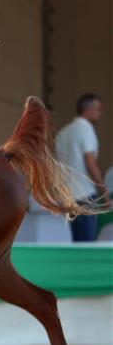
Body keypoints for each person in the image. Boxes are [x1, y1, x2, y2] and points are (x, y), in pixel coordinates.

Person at [55, 93, 108, 242]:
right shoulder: (85, 129)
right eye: (98, 109)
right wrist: (103, 192)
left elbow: (58, 166)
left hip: (68, 198)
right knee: (87, 245)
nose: (100, 113)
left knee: (76, 243)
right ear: (88, 110)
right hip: (85, 196)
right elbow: (90, 163)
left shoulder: (63, 133)